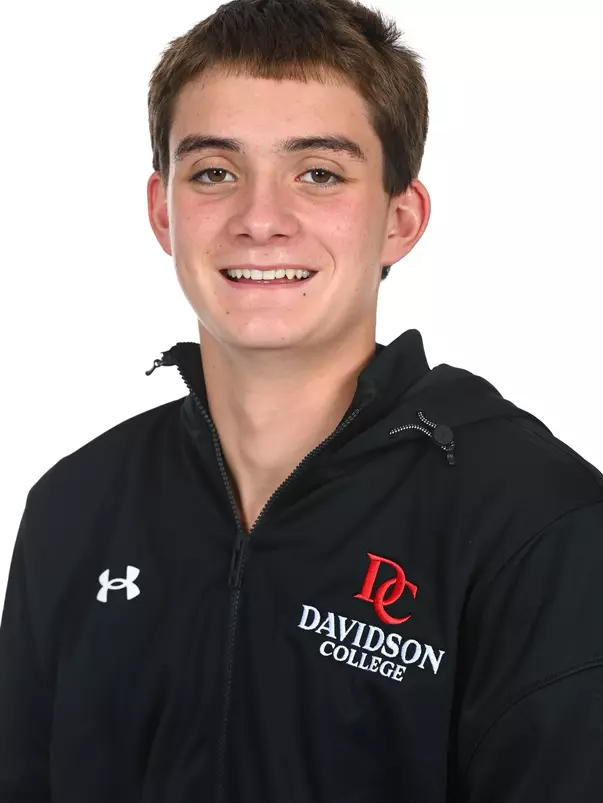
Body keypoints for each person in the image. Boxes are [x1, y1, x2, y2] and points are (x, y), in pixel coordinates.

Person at [1, 0, 603, 800]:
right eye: (215, 172)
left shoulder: (535, 520)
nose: (260, 220)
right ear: (162, 211)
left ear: (399, 220)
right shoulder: (74, 506)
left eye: (318, 173)